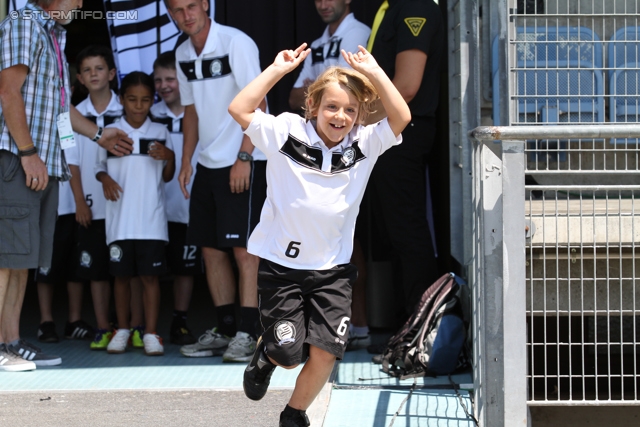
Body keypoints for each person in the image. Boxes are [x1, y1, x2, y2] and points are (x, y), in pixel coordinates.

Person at [228, 44, 411, 427]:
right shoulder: (285, 132)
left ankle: (294, 415)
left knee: (326, 352)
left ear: (359, 116)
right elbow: (240, 109)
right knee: (288, 353)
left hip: (333, 271)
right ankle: (266, 357)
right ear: (312, 107)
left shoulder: (364, 144)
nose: (340, 116)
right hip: (282, 268)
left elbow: (401, 116)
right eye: (331, 107)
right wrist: (277, 70)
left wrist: (376, 72)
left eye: (350, 110)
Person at [0, 0, 131, 372]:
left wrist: (99, 134)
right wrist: (27, 152)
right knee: (6, 259)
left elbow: (58, 109)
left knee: (22, 259)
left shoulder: (52, 32)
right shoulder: (25, 22)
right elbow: (7, 92)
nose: (79, 3)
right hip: (16, 158)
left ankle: (10, 341)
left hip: (39, 162)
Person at [165, 0, 268, 362]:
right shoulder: (181, 52)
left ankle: (249, 331)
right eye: (177, 10)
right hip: (208, 164)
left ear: (206, 6)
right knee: (210, 251)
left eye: (191, 6)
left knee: (244, 251)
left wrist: (244, 156)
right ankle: (225, 328)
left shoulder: (235, 42)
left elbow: (259, 103)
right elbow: (191, 111)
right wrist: (186, 160)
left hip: (243, 159)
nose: (185, 15)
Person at [289, 0, 373, 352]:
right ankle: (326, 328)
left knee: (351, 243)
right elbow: (295, 95)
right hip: (321, 153)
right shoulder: (320, 39)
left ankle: (361, 325)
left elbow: (358, 97)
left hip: (358, 150)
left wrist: (322, 94)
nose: (323, 4)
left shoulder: (359, 34)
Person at [366, 0, 444, 318]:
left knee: (407, 230)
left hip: (402, 133)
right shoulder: (392, 7)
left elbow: (407, 87)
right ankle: (403, 328)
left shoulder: (416, 6)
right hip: (387, 132)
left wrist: (357, 119)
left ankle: (418, 331)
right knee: (392, 231)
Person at [95, 71, 175, 356]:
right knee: (121, 278)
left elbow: (168, 176)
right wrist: (105, 180)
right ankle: (124, 329)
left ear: (152, 100)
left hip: (151, 222)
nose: (138, 106)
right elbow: (99, 167)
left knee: (150, 279)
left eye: (144, 100)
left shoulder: (160, 131)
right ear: (121, 99)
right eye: (132, 99)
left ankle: (151, 333)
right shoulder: (110, 131)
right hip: (119, 222)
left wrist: (170, 157)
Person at [68, 45, 123, 350]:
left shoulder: (129, 108)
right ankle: (103, 327)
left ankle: (128, 327)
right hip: (90, 205)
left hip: (122, 204)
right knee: (98, 271)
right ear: (79, 78)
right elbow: (71, 162)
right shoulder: (71, 117)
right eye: (87, 70)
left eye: (99, 68)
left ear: (112, 73)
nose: (93, 74)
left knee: (125, 270)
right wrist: (78, 202)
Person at [151, 50, 201, 346]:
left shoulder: (197, 112)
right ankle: (145, 324)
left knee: (185, 268)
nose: (164, 85)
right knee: (149, 270)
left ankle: (179, 321)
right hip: (153, 207)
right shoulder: (149, 112)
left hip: (186, 205)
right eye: (158, 79)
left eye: (170, 78)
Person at [288, 0, 370, 111]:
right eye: (318, 0)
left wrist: (311, 86)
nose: (323, 6)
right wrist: (326, 85)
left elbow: (343, 90)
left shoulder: (358, 33)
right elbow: (294, 99)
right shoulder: (316, 44)